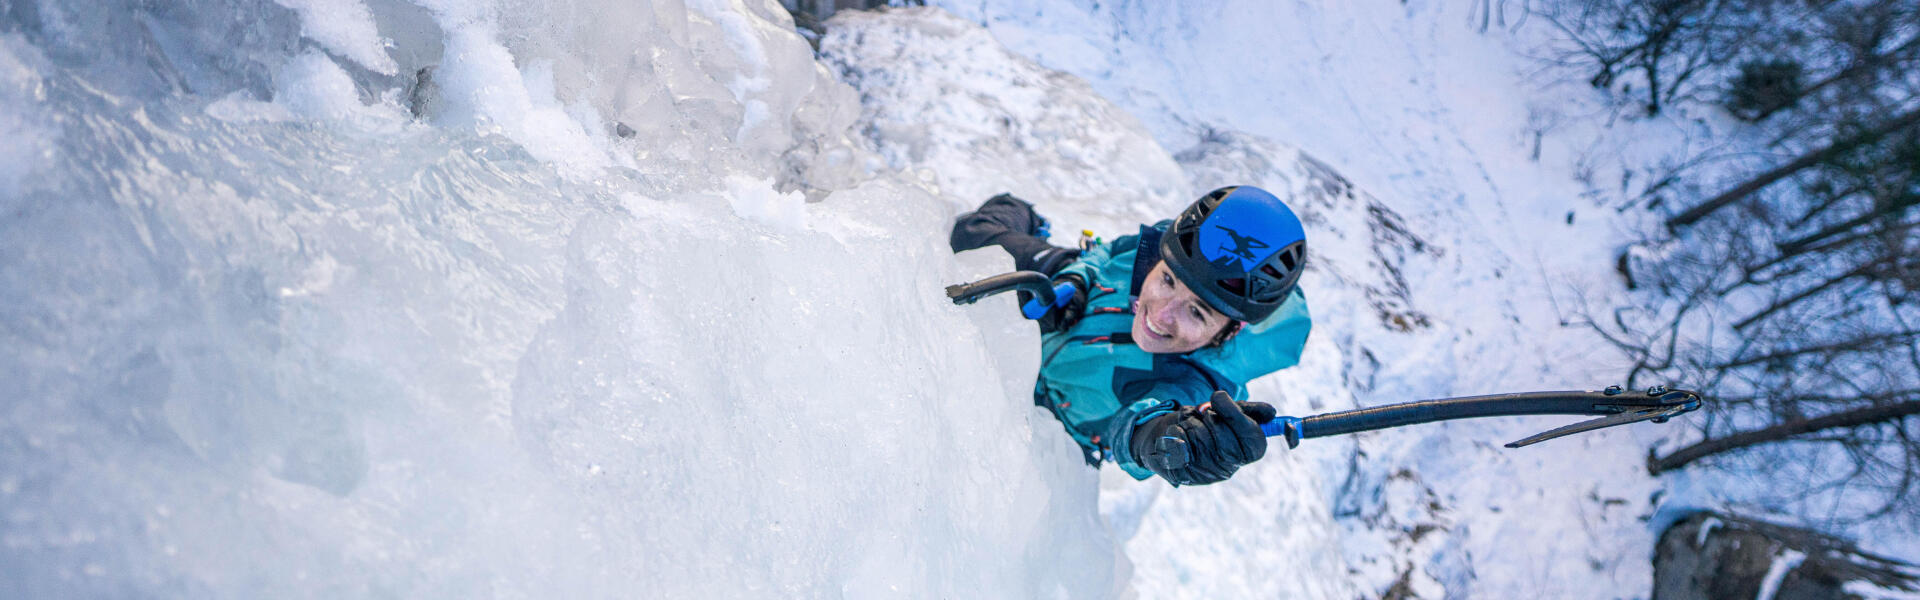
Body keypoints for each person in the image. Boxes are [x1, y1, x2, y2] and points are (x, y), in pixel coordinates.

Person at [950, 186, 1311, 486]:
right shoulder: (1177, 251)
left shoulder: (1197, 383)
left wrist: (1166, 441)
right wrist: (1078, 277)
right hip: (1065, 299)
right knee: (973, 234)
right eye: (1167, 280)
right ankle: (1030, 219)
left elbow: (1145, 424)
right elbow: (1112, 252)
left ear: (1233, 330)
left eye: (1197, 312)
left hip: (1054, 421)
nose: (1160, 313)